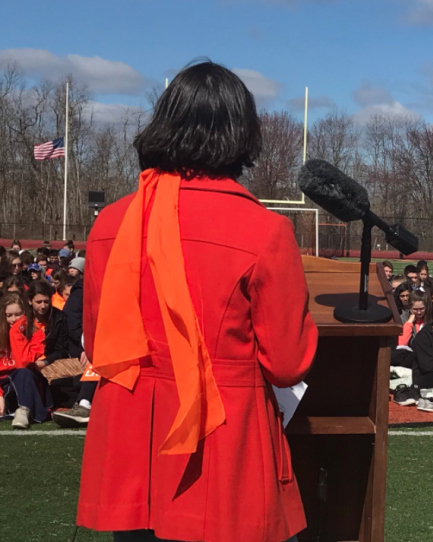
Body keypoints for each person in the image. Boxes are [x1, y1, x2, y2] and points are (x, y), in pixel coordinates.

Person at [76, 62, 319, 542]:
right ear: (241, 133)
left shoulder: (111, 222)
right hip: (223, 438)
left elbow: (98, 339)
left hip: (131, 437)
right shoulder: (265, 230)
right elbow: (288, 363)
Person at [0, 292, 53, 429]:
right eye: (9, 315)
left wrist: (16, 333)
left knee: (23, 373)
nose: (13, 319)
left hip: (26, 381)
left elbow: (23, 363)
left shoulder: (36, 334)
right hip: (3, 385)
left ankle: (24, 410)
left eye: (18, 314)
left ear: (25, 314)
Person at [392, 290, 430, 369]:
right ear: (410, 308)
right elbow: (402, 344)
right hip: (408, 359)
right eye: (415, 309)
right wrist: (409, 322)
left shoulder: (430, 320)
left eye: (422, 309)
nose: (419, 312)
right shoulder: (403, 319)